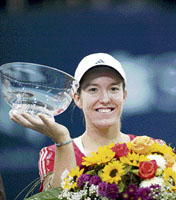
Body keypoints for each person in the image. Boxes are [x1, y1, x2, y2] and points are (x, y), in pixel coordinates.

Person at [10, 53, 139, 191]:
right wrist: (62, 140)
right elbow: (55, 198)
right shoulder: (53, 154)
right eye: (93, 89)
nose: (105, 99)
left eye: (113, 89)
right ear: (77, 98)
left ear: (124, 95)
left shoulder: (151, 149)